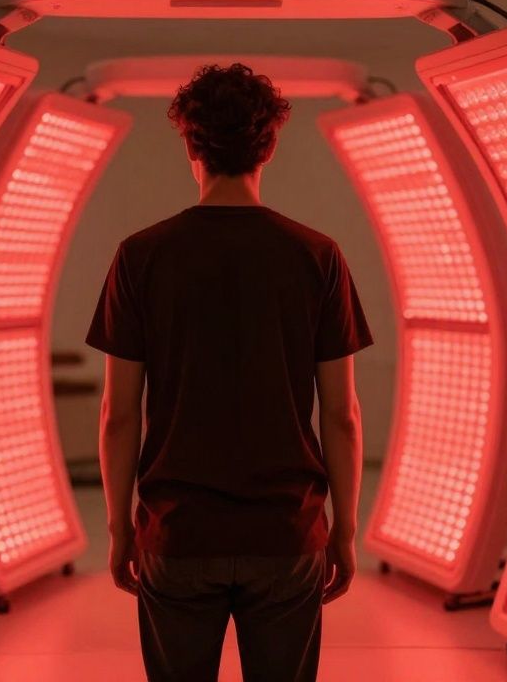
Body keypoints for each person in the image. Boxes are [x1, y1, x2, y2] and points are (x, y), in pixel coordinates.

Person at [86, 63, 373, 682]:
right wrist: (344, 532)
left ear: (191, 146)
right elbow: (342, 415)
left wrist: (118, 530)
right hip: (287, 534)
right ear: (268, 147)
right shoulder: (317, 256)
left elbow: (118, 414)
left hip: (178, 534)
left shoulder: (141, 256)